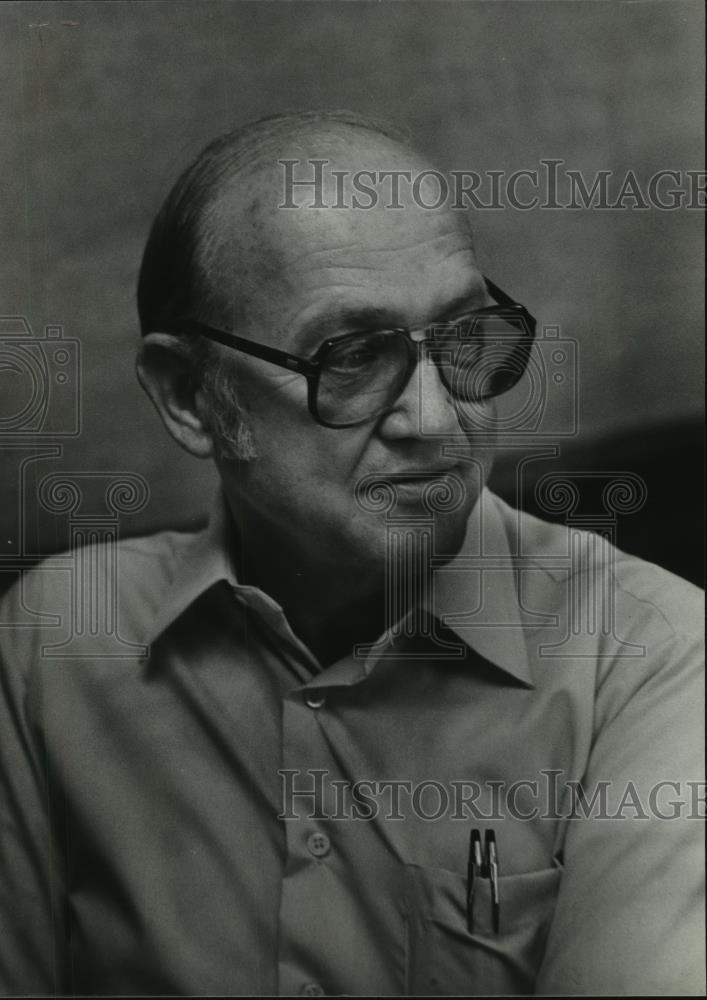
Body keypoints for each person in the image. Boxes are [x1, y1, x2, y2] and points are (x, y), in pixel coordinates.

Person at [0, 110, 703, 997]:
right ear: (190, 396)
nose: (438, 420)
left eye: (463, 338)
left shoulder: (652, 661)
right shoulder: (55, 646)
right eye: (352, 357)